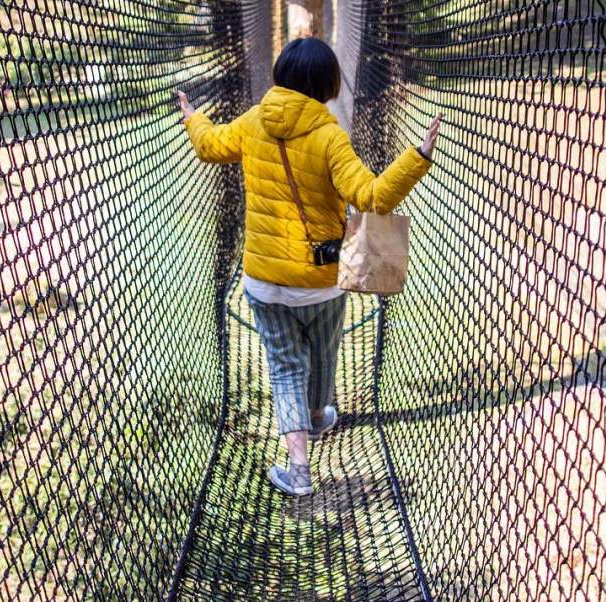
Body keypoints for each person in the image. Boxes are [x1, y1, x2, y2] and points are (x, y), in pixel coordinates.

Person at [178, 37, 440, 497]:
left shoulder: (254, 121)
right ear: (327, 84)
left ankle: (298, 469)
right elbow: (373, 197)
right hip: (321, 280)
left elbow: (210, 146)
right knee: (322, 351)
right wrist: (417, 157)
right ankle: (318, 414)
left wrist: (192, 117)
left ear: (281, 75)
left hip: (263, 281)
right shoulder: (329, 135)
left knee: (284, 367)